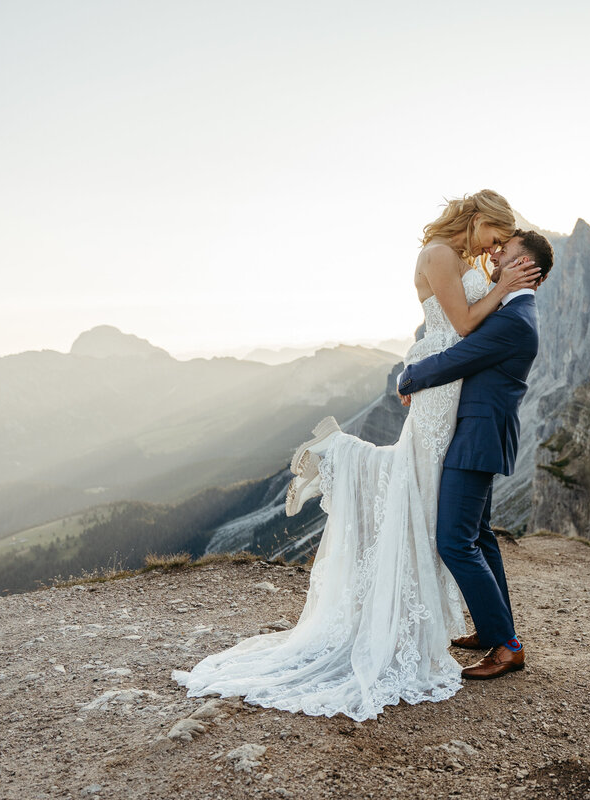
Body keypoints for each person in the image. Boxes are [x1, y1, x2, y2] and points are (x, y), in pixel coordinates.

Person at [171, 190, 540, 721]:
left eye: (505, 243)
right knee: (422, 492)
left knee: (442, 509)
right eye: (495, 236)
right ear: (478, 220)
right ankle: (336, 453)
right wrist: (498, 288)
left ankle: (497, 633)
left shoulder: (465, 263)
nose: (497, 246)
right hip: (445, 390)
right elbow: (459, 327)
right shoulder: (439, 254)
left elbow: (456, 329)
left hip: (455, 392)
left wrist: (422, 358)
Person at [396, 228, 553, 680]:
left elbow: (459, 357)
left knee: (454, 541)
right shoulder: (512, 310)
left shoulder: (515, 320)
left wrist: (409, 376)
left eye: (510, 253)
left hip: (476, 437)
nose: (498, 254)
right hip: (480, 434)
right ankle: (491, 631)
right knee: (479, 536)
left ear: (528, 268)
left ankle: (507, 646)